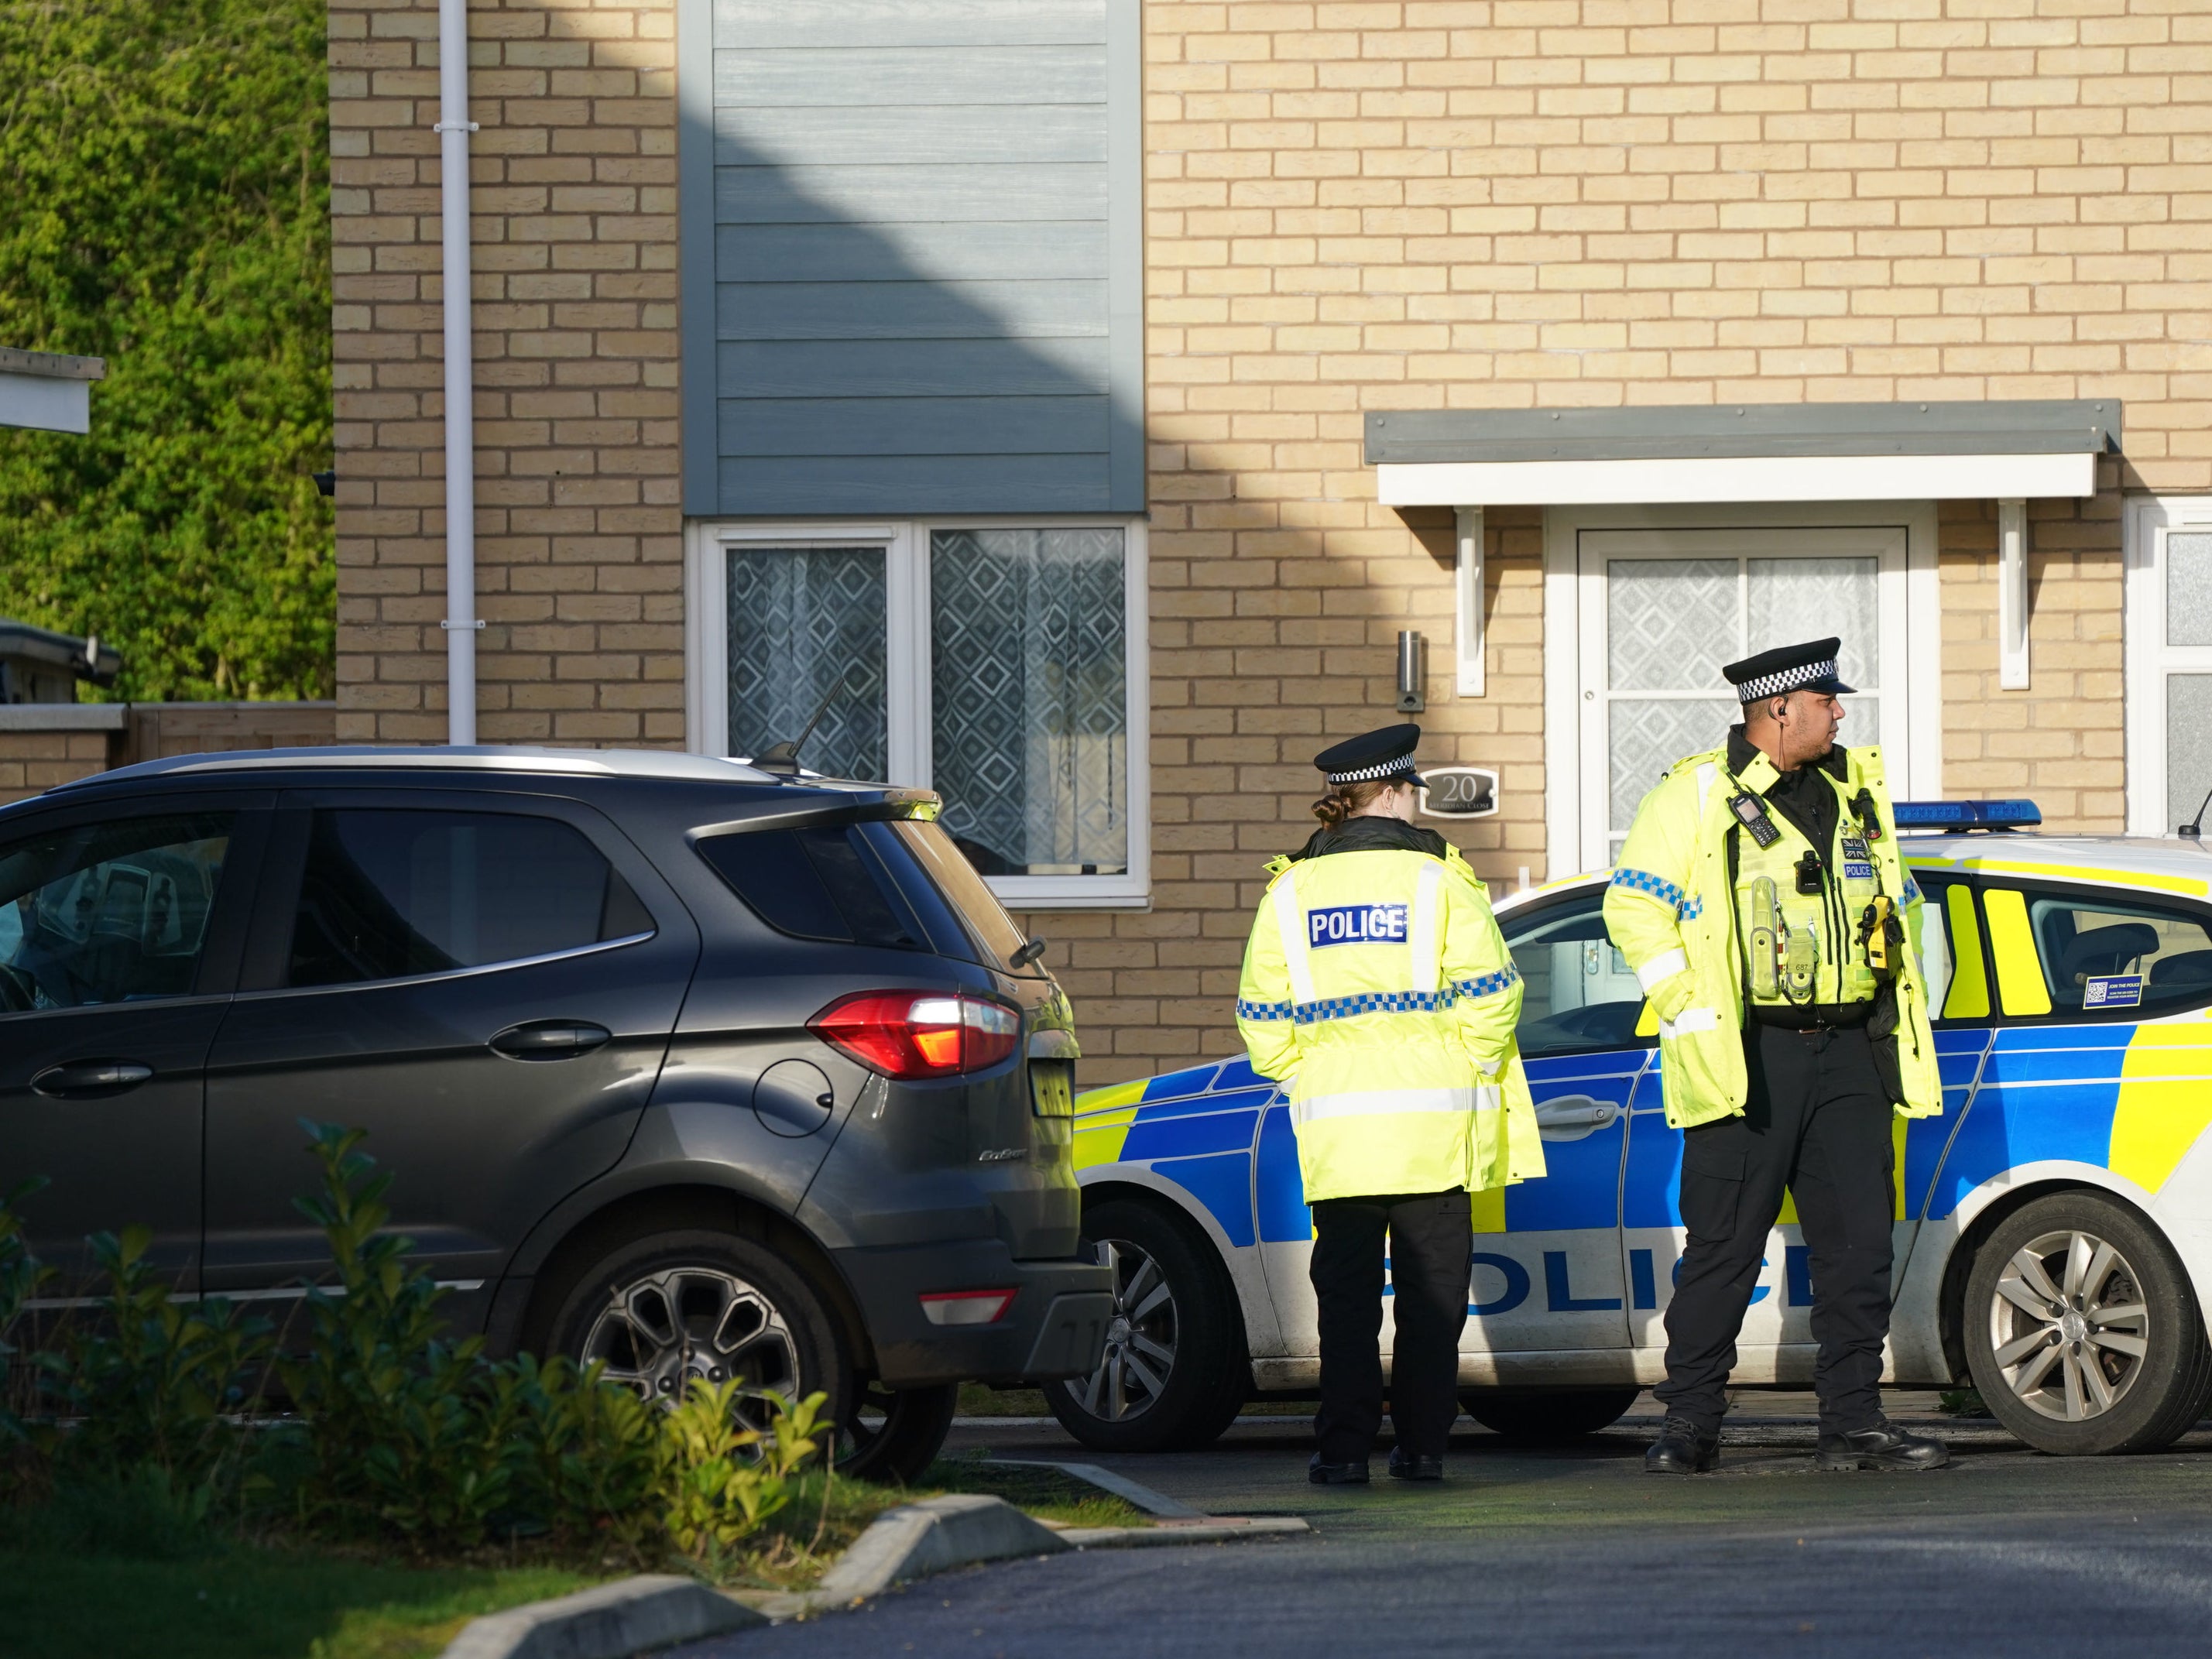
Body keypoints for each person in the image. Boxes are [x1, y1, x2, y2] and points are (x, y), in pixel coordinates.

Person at [1603, 638, 1948, 1474]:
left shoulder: (1854, 790)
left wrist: (1910, 992)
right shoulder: (1694, 794)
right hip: (1748, 1053)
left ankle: (1853, 1425)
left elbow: (1898, 906)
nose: (1840, 712)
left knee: (1857, 1247)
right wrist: (1690, 1006)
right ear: (1778, 710)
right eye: (1828, 701)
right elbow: (1631, 909)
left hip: (1850, 1052)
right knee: (1723, 1248)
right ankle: (1689, 1427)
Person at [1236, 724, 1545, 1484]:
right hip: (1432, 1133)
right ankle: (1422, 1448)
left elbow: (1261, 1013)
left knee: (1344, 1309)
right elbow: (1492, 992)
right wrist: (1464, 1062)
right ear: (1396, 792)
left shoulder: (1290, 889)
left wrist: (1302, 1074)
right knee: (1431, 1305)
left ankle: (1341, 1453)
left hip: (1337, 1136)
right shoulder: (1439, 880)